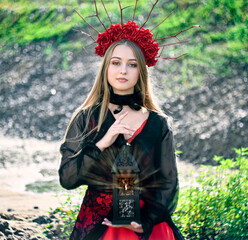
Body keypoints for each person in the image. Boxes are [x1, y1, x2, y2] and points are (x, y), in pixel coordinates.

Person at [58, 38, 183, 240]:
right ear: (105, 68)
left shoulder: (159, 123)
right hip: (98, 226)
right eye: (116, 62)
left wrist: (146, 221)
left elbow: (168, 182)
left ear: (141, 71)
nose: (123, 70)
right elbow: (67, 179)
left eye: (132, 64)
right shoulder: (86, 118)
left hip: (147, 228)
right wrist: (100, 145)